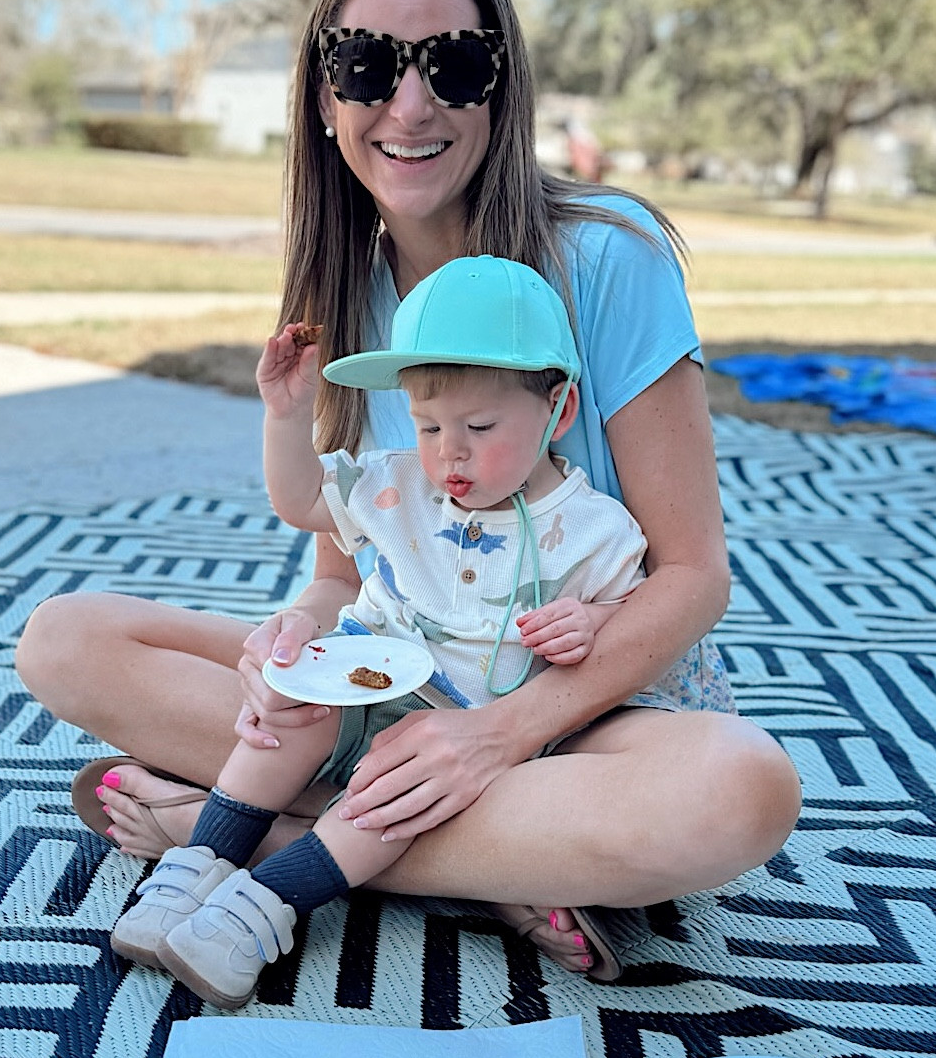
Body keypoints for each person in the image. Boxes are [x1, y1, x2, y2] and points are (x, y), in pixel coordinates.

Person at [15, 0, 801, 980]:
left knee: (739, 791)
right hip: (407, 685)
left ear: (501, 83)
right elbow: (347, 564)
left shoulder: (607, 257)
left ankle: (260, 847)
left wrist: (502, 734)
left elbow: (692, 575)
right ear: (321, 92)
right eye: (366, 64)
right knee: (64, 640)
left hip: (597, 700)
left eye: (454, 63)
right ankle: (495, 856)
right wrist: (292, 636)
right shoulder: (341, 289)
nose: (410, 102)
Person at [115, 257, 654, 1007]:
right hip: (362, 675)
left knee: (389, 800)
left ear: (558, 412)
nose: (450, 452)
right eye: (428, 425)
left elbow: (642, 616)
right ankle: (194, 868)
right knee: (287, 716)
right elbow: (303, 498)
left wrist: (593, 619)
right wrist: (284, 413)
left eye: (479, 427)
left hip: (457, 730)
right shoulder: (402, 482)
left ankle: (259, 907)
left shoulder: (593, 531)